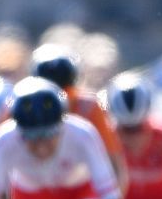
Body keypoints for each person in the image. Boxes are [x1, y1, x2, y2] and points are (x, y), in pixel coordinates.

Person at [32, 44, 128, 190]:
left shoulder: (89, 106)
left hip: (82, 187)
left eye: (65, 92)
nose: (59, 101)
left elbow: (112, 160)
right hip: (39, 186)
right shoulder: (23, 107)